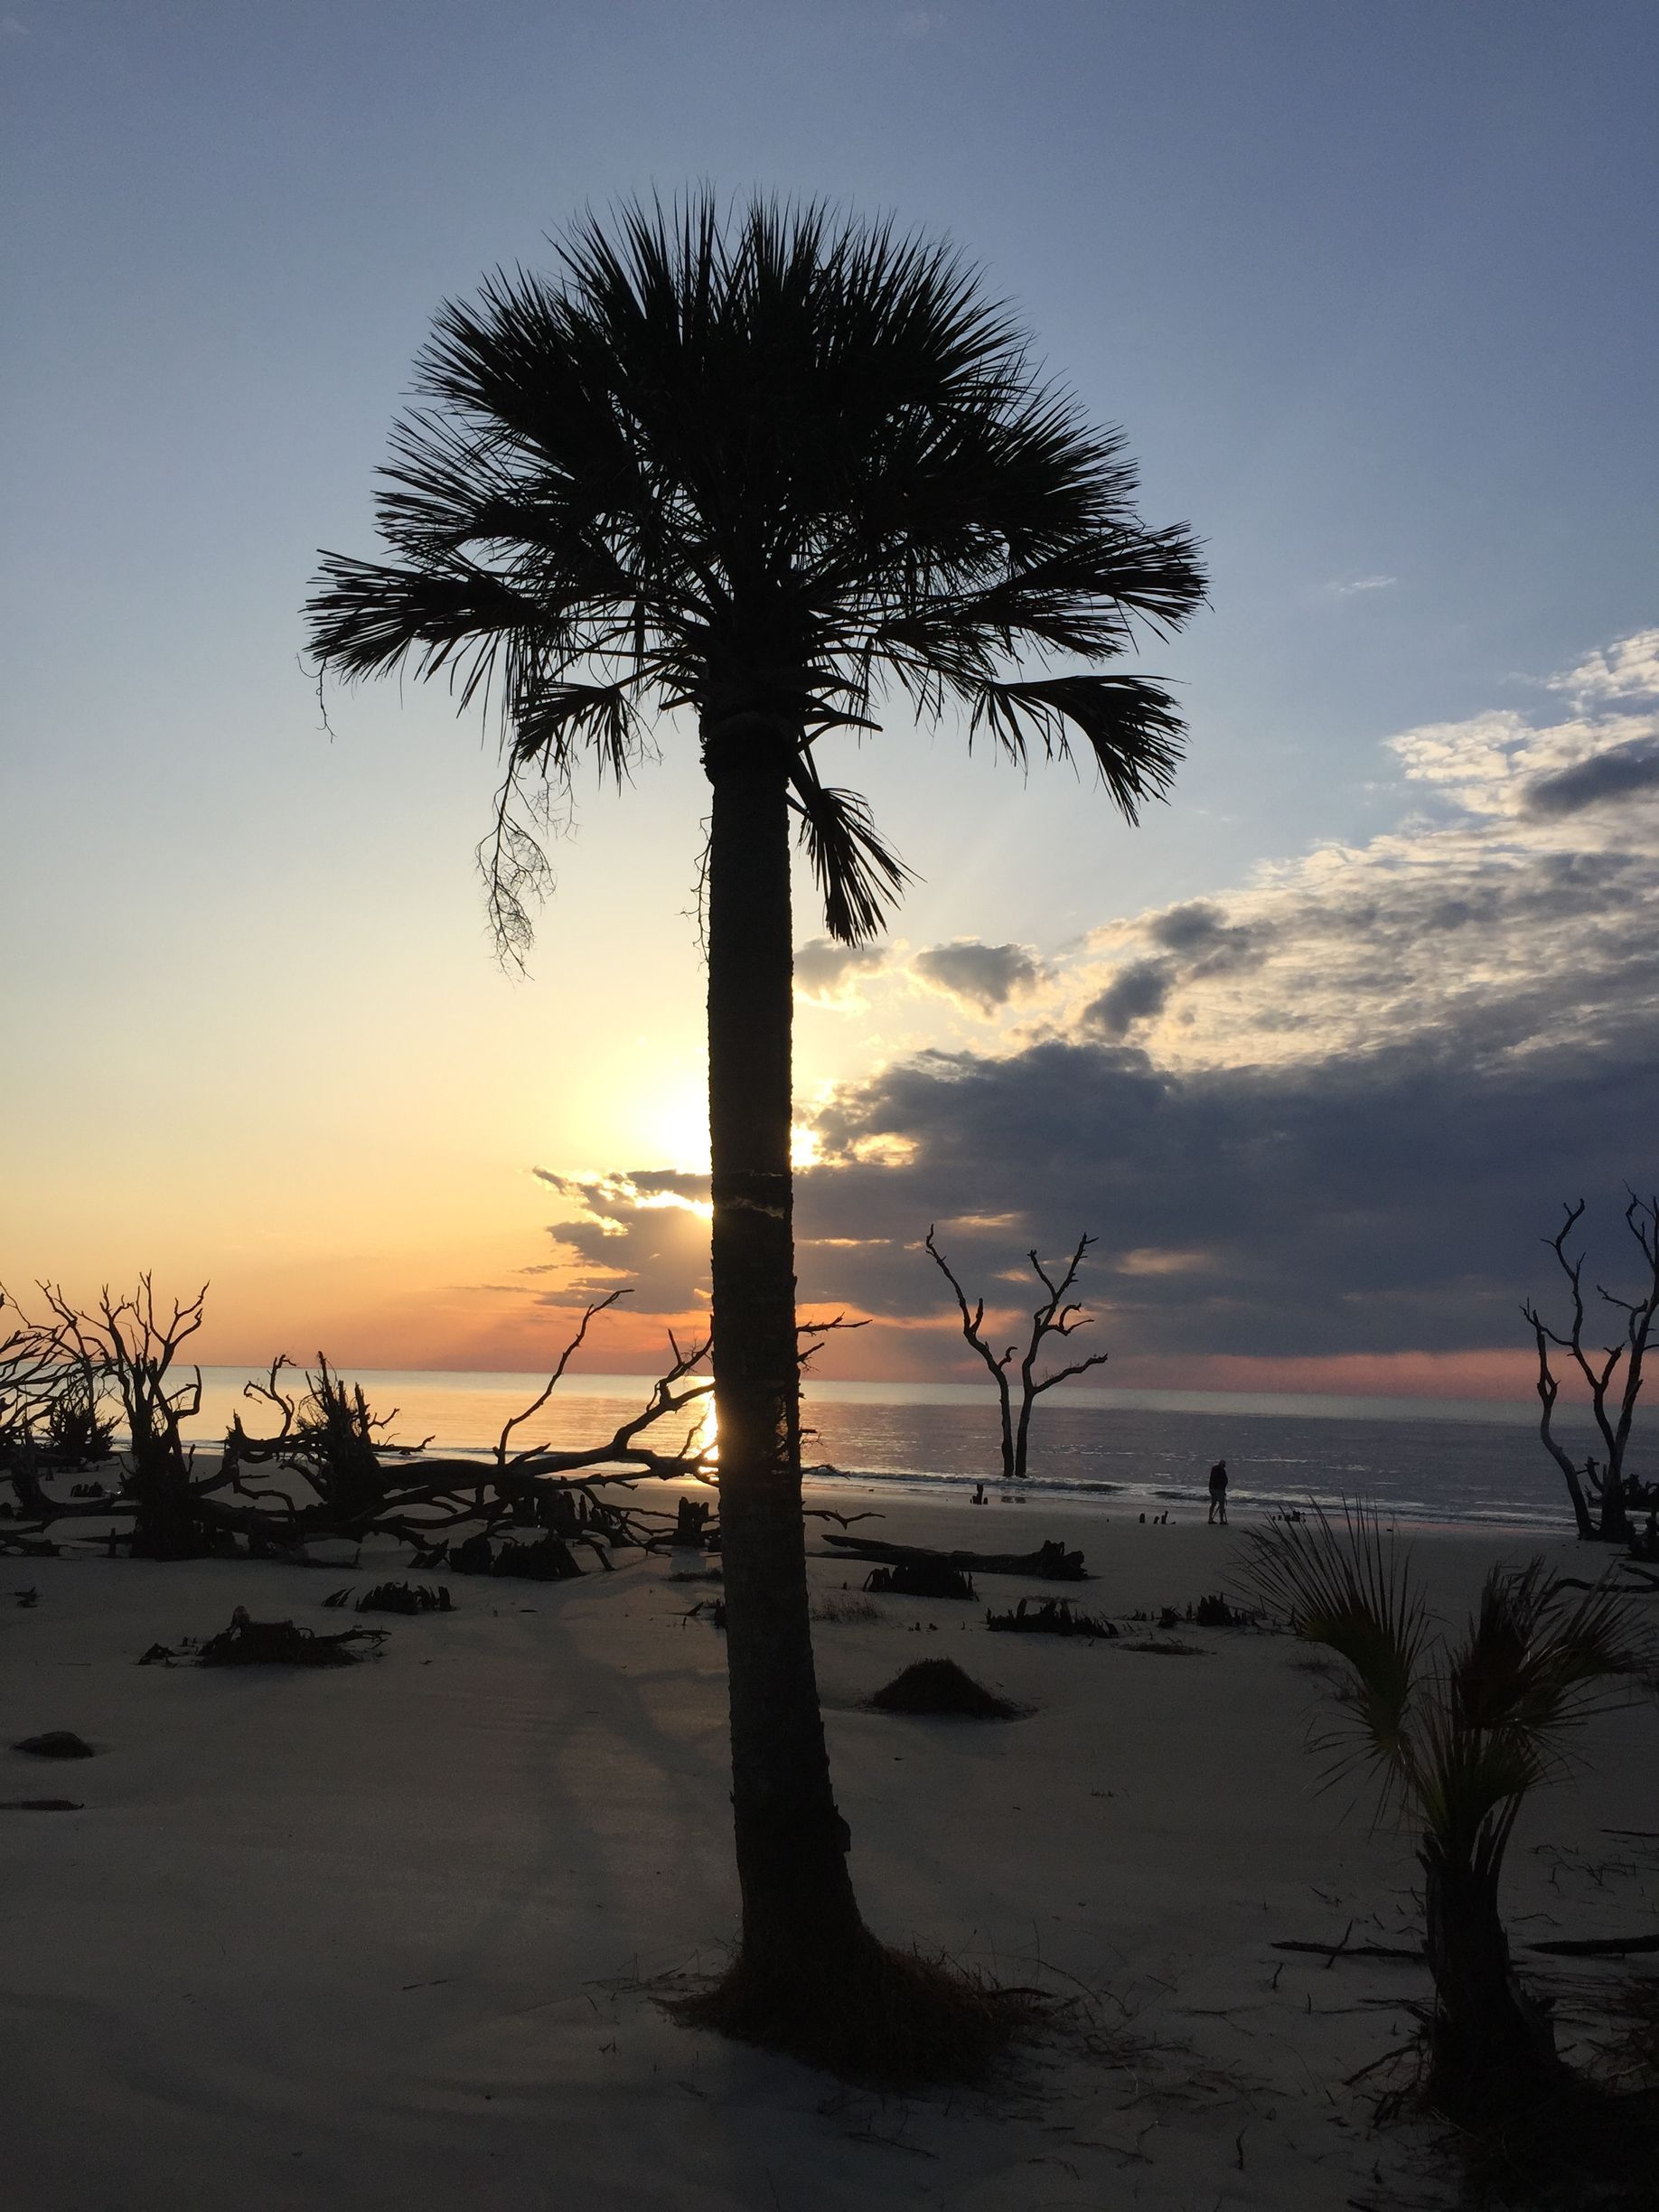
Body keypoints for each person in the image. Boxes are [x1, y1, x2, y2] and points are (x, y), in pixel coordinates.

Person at [1207, 1457, 1229, 1525]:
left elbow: (1212, 1481)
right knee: (1221, 1504)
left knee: (1213, 1503)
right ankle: (1221, 1520)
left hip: (1212, 1489)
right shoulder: (1222, 1471)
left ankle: (1210, 1518)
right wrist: (1223, 1490)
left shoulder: (1214, 1470)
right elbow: (1224, 1481)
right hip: (1219, 1490)